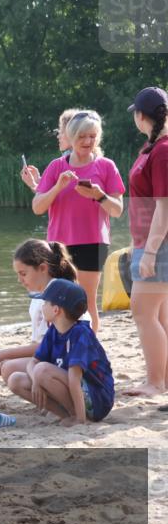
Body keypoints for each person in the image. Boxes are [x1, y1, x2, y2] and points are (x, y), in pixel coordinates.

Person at [31, 110, 125, 333]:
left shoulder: (106, 166)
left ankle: (89, 350)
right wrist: (58, 187)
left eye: (92, 136)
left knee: (86, 300)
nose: (87, 141)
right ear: (71, 137)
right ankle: (59, 348)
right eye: (82, 136)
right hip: (58, 245)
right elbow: (37, 207)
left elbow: (118, 210)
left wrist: (99, 195)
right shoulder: (56, 167)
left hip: (92, 242)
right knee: (57, 302)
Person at [7, 279, 115, 425]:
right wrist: (35, 381)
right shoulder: (54, 330)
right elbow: (33, 361)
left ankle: (78, 417)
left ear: (56, 310)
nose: (42, 306)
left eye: (45, 303)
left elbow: (74, 378)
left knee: (42, 370)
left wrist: (80, 418)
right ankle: (64, 414)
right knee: (16, 380)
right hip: (74, 390)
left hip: (96, 400)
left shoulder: (80, 333)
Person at [0, 239, 78, 384]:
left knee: (9, 368)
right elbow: (38, 343)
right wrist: (8, 360)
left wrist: (2, 355)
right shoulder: (38, 296)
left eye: (23, 274)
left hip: (67, 362)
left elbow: (48, 346)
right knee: (9, 368)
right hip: (51, 358)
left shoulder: (58, 298)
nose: (19, 280)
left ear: (43, 268)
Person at [122, 86, 168, 397]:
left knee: (142, 312)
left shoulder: (164, 150)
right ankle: (161, 380)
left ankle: (154, 383)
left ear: (141, 115)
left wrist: (150, 251)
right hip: (147, 242)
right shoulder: (151, 148)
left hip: (159, 245)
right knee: (159, 314)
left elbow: (165, 205)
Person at [20, 108, 81, 191]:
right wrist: (39, 180)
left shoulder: (71, 160)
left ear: (72, 134)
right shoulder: (80, 157)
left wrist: (32, 184)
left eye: (61, 131)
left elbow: (55, 197)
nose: (58, 136)